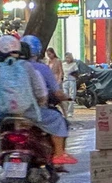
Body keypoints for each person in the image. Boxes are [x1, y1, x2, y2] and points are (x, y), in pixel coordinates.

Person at [0, 35, 49, 165]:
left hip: (3, 113)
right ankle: (55, 154)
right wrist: (41, 103)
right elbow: (40, 93)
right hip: (29, 112)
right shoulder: (28, 67)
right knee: (51, 122)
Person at [20, 35, 77, 165]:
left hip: (10, 111)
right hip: (34, 110)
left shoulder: (8, 67)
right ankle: (59, 153)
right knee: (59, 120)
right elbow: (49, 93)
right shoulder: (39, 68)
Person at [62, 52, 79, 117]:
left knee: (72, 96)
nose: (67, 59)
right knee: (65, 96)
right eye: (66, 57)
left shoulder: (74, 64)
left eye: (68, 57)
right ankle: (66, 111)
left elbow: (76, 73)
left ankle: (70, 112)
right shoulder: (63, 64)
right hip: (65, 81)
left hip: (72, 81)